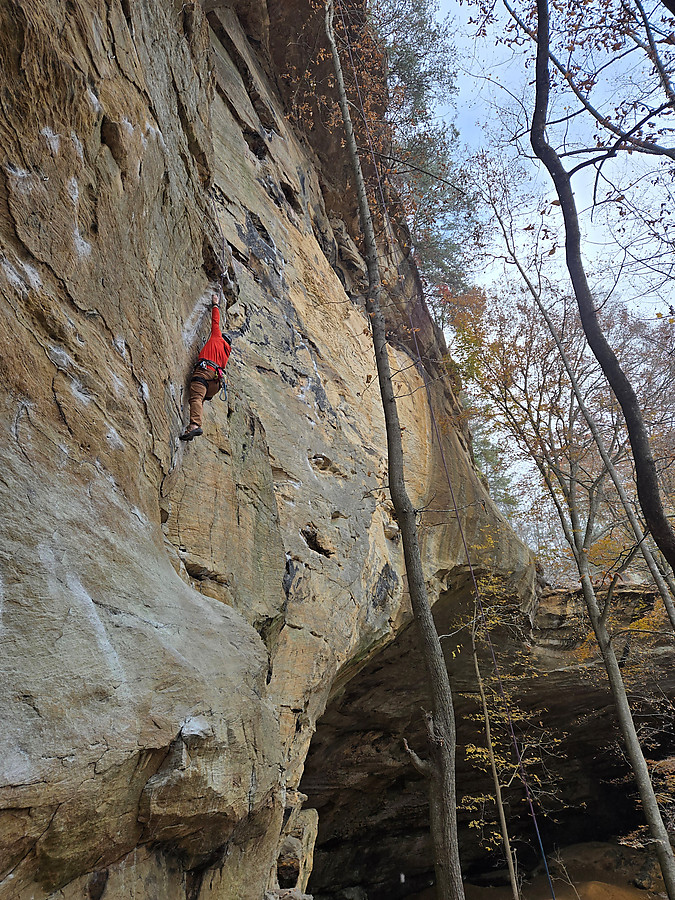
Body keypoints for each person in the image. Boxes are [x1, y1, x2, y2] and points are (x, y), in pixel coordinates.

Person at [180, 293, 232, 441]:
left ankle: (194, 425)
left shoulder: (217, 338)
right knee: (200, 399)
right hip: (216, 383)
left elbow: (215, 321)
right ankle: (190, 430)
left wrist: (215, 304)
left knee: (196, 396)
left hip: (205, 372)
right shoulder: (226, 353)